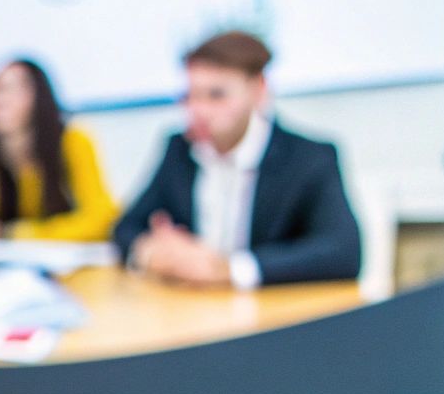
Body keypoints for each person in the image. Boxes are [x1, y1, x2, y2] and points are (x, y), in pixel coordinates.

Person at [113, 31, 362, 288]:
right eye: (190, 96)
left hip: (272, 314)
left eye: (216, 95)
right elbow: (126, 227)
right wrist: (154, 252)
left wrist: (228, 270)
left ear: (258, 90)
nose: (199, 110)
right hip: (194, 309)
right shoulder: (179, 150)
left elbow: (343, 251)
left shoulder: (309, 158)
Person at [0, 59, 119, 245]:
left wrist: (17, 234)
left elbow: (102, 219)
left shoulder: (73, 140)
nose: (0, 100)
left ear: (39, 95)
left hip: (69, 264)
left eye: (12, 89)